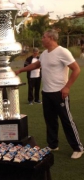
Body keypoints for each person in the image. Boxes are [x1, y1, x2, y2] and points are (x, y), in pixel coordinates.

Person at [15, 29, 83, 159]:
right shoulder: (44, 54)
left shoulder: (62, 51)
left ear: (51, 38)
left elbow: (76, 69)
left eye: (44, 37)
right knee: (50, 120)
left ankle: (78, 147)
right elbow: (36, 65)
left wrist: (67, 87)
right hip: (46, 93)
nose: (42, 39)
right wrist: (20, 70)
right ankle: (53, 145)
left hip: (60, 92)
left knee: (67, 120)